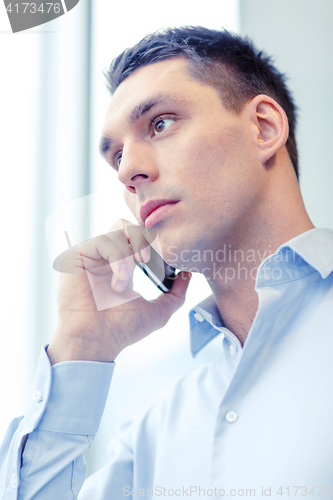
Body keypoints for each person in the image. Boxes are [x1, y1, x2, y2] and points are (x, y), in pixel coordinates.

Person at [1, 26, 333, 499]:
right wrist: (79, 347)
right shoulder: (151, 436)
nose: (126, 170)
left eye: (160, 124)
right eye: (115, 154)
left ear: (263, 127)